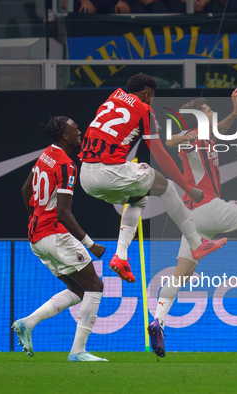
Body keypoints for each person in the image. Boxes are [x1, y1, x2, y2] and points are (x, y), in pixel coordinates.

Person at [148, 89, 237, 357]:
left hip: (192, 219)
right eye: (208, 110)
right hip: (209, 208)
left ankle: (158, 320)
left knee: (181, 274)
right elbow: (170, 141)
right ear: (199, 117)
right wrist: (185, 136)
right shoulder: (194, 137)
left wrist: (234, 113)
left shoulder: (208, 134)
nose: (212, 113)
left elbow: (219, 127)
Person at [80, 72, 227, 283]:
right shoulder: (144, 109)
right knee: (166, 187)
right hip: (110, 171)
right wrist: (186, 186)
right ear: (147, 94)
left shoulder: (111, 99)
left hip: (86, 176)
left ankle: (120, 256)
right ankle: (196, 243)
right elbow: (161, 156)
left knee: (139, 196)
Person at [12, 116, 108, 362]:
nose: (79, 131)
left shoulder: (46, 156)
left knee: (78, 288)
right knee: (95, 286)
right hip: (54, 234)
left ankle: (28, 323)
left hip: (36, 237)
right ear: (64, 135)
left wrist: (36, 219)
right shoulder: (66, 164)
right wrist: (91, 244)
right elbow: (63, 213)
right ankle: (78, 352)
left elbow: (25, 191)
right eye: (75, 128)